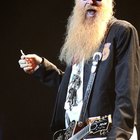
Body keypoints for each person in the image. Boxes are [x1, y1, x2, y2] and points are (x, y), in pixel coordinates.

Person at [18, 0, 140, 139]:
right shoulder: (81, 37)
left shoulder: (121, 32)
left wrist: (119, 136)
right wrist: (42, 68)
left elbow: (127, 94)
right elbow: (74, 91)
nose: (91, 1)